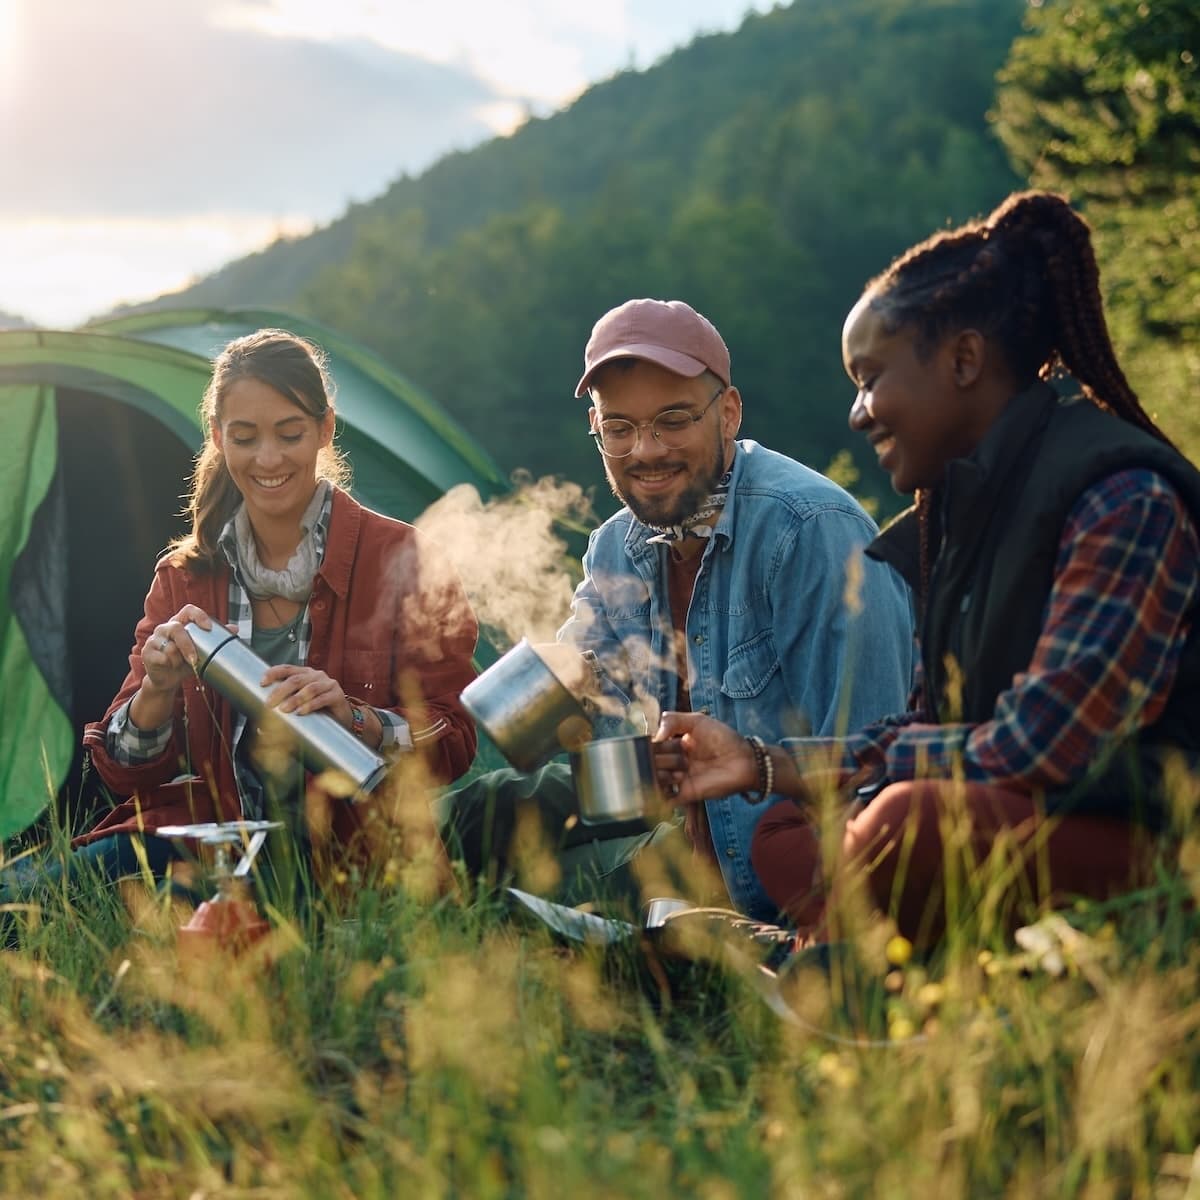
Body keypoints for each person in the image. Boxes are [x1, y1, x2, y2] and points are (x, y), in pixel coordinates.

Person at [658, 191, 1200, 946]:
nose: (858, 412)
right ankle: (864, 947)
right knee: (783, 825)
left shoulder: (1119, 497)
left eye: (870, 377)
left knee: (901, 823)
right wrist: (760, 763)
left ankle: (839, 955)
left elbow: (1043, 747)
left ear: (965, 360)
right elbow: (927, 724)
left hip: (1150, 854)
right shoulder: (955, 514)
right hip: (995, 827)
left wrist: (877, 789)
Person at [441, 298, 914, 922]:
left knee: (518, 919)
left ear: (728, 414)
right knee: (471, 851)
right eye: (620, 428)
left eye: (673, 420)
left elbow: (871, 762)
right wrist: (553, 691)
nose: (645, 451)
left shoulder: (812, 531)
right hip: (679, 849)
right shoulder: (617, 546)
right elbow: (583, 737)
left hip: (787, 883)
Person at [2, 329, 478, 924]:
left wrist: (356, 718)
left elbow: (456, 739)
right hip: (212, 844)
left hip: (354, 856)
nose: (269, 459)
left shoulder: (403, 559)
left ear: (326, 430)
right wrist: (156, 689)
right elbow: (123, 769)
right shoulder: (186, 576)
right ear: (218, 438)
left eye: (290, 433)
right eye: (245, 437)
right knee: (18, 906)